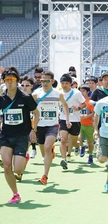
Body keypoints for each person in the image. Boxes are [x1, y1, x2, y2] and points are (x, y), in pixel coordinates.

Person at [0, 67, 39, 204]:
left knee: (18, 169)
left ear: (17, 81)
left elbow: (36, 113)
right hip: (5, 136)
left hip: (22, 136)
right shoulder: (2, 98)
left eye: (12, 79)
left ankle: (24, 157)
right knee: (6, 166)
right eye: (7, 80)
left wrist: (33, 129)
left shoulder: (25, 97)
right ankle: (15, 194)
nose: (9, 82)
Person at [33, 71, 70, 185]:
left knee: (48, 147)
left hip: (52, 125)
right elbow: (29, 107)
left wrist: (67, 119)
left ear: (52, 81)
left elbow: (65, 105)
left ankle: (45, 176)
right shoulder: (36, 94)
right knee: (44, 153)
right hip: (39, 125)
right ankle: (50, 154)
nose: (44, 83)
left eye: (47, 80)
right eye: (42, 80)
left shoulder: (58, 94)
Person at [58, 74, 86, 169]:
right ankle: (63, 159)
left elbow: (84, 103)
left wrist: (78, 108)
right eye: (63, 83)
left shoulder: (76, 93)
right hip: (63, 119)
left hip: (75, 120)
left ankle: (78, 146)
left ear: (71, 84)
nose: (64, 85)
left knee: (73, 141)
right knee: (63, 139)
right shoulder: (59, 93)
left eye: (67, 83)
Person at [78, 84, 95, 164]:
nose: (82, 93)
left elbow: (94, 113)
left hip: (89, 124)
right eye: (80, 91)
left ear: (88, 92)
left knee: (90, 142)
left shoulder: (90, 102)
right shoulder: (78, 101)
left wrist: (85, 117)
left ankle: (91, 155)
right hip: (80, 124)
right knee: (79, 138)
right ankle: (82, 146)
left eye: (83, 91)